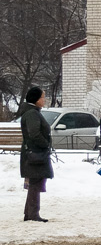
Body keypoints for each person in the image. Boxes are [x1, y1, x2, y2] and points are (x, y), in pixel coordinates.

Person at [18, 86, 54, 222]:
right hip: (35, 154)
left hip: (33, 153)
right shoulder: (32, 113)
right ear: (36, 99)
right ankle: (33, 214)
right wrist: (45, 144)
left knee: (35, 182)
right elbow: (34, 133)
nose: (44, 100)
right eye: (42, 97)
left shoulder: (31, 112)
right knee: (36, 183)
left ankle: (29, 213)